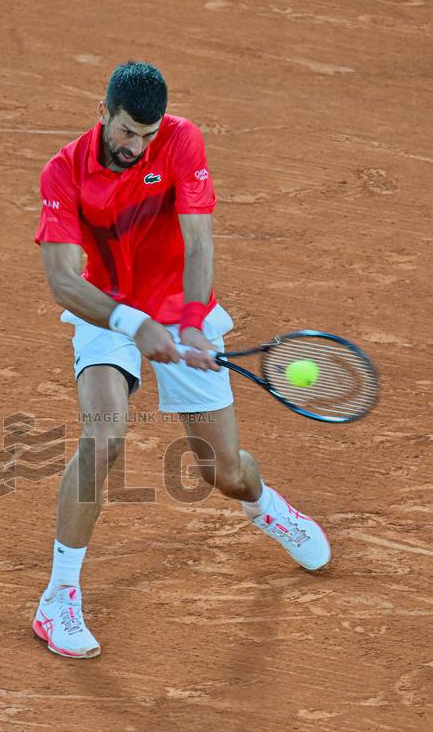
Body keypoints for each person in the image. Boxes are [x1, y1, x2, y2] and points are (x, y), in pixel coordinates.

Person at [32, 60, 329, 659]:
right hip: (108, 311)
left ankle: (266, 508)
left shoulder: (182, 140)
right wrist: (130, 322)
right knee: (104, 437)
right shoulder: (63, 172)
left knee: (222, 472)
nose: (136, 147)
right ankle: (58, 597)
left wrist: (191, 321)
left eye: (147, 135)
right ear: (102, 113)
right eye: (125, 133)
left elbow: (198, 238)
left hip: (179, 311)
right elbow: (63, 281)